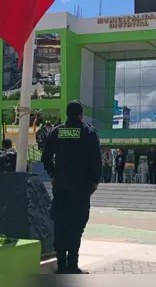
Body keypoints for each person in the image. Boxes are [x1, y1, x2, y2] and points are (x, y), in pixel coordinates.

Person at [41, 100, 102, 275]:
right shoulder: (89, 132)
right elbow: (96, 161)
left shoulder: (57, 132)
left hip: (61, 187)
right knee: (77, 225)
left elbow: (45, 157)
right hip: (81, 188)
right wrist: (94, 182)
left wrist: (53, 174)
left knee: (60, 224)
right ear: (81, 114)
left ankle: (62, 265)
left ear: (67, 114)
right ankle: (73, 265)